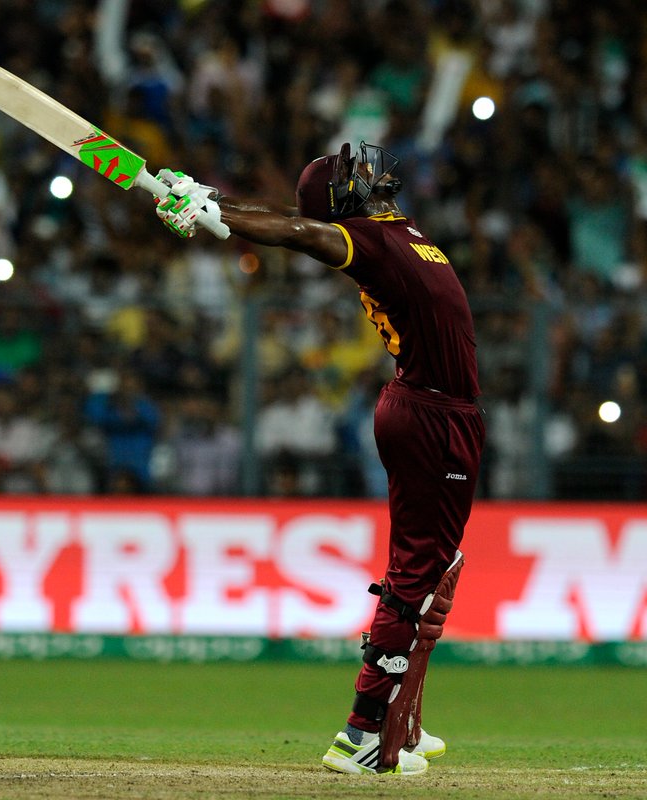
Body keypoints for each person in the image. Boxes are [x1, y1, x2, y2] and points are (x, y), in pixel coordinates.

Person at [154, 142, 485, 776]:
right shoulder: (367, 239)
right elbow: (298, 230)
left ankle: (399, 724)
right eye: (348, 175)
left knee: (430, 569)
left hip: (435, 411)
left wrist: (210, 200)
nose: (364, 170)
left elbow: (285, 214)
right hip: (433, 415)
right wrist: (212, 211)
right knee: (419, 576)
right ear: (345, 203)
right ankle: (361, 734)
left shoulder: (394, 230)